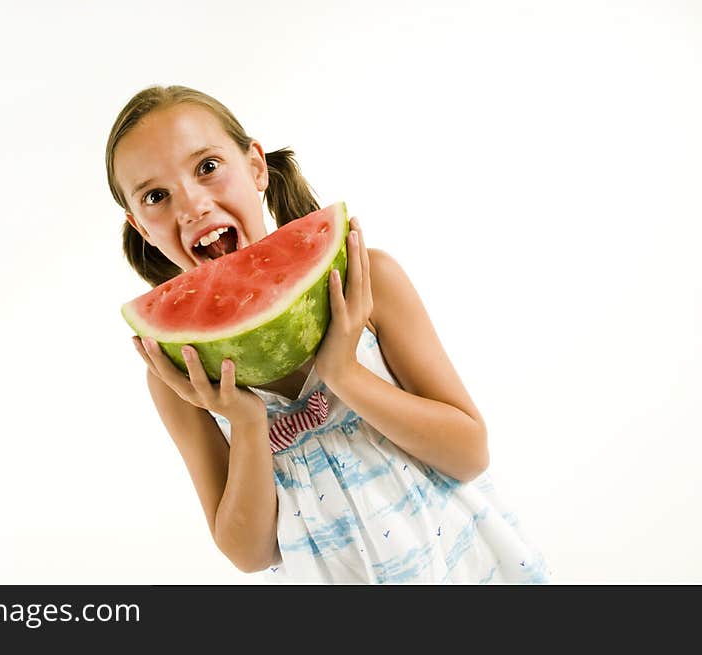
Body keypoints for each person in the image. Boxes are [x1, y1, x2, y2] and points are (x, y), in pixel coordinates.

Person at [105, 84, 552, 584]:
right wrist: (246, 423)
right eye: (155, 196)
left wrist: (342, 372)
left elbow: (469, 454)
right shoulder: (179, 374)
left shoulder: (367, 279)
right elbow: (250, 554)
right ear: (140, 226)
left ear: (256, 166)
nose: (191, 206)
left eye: (207, 166)